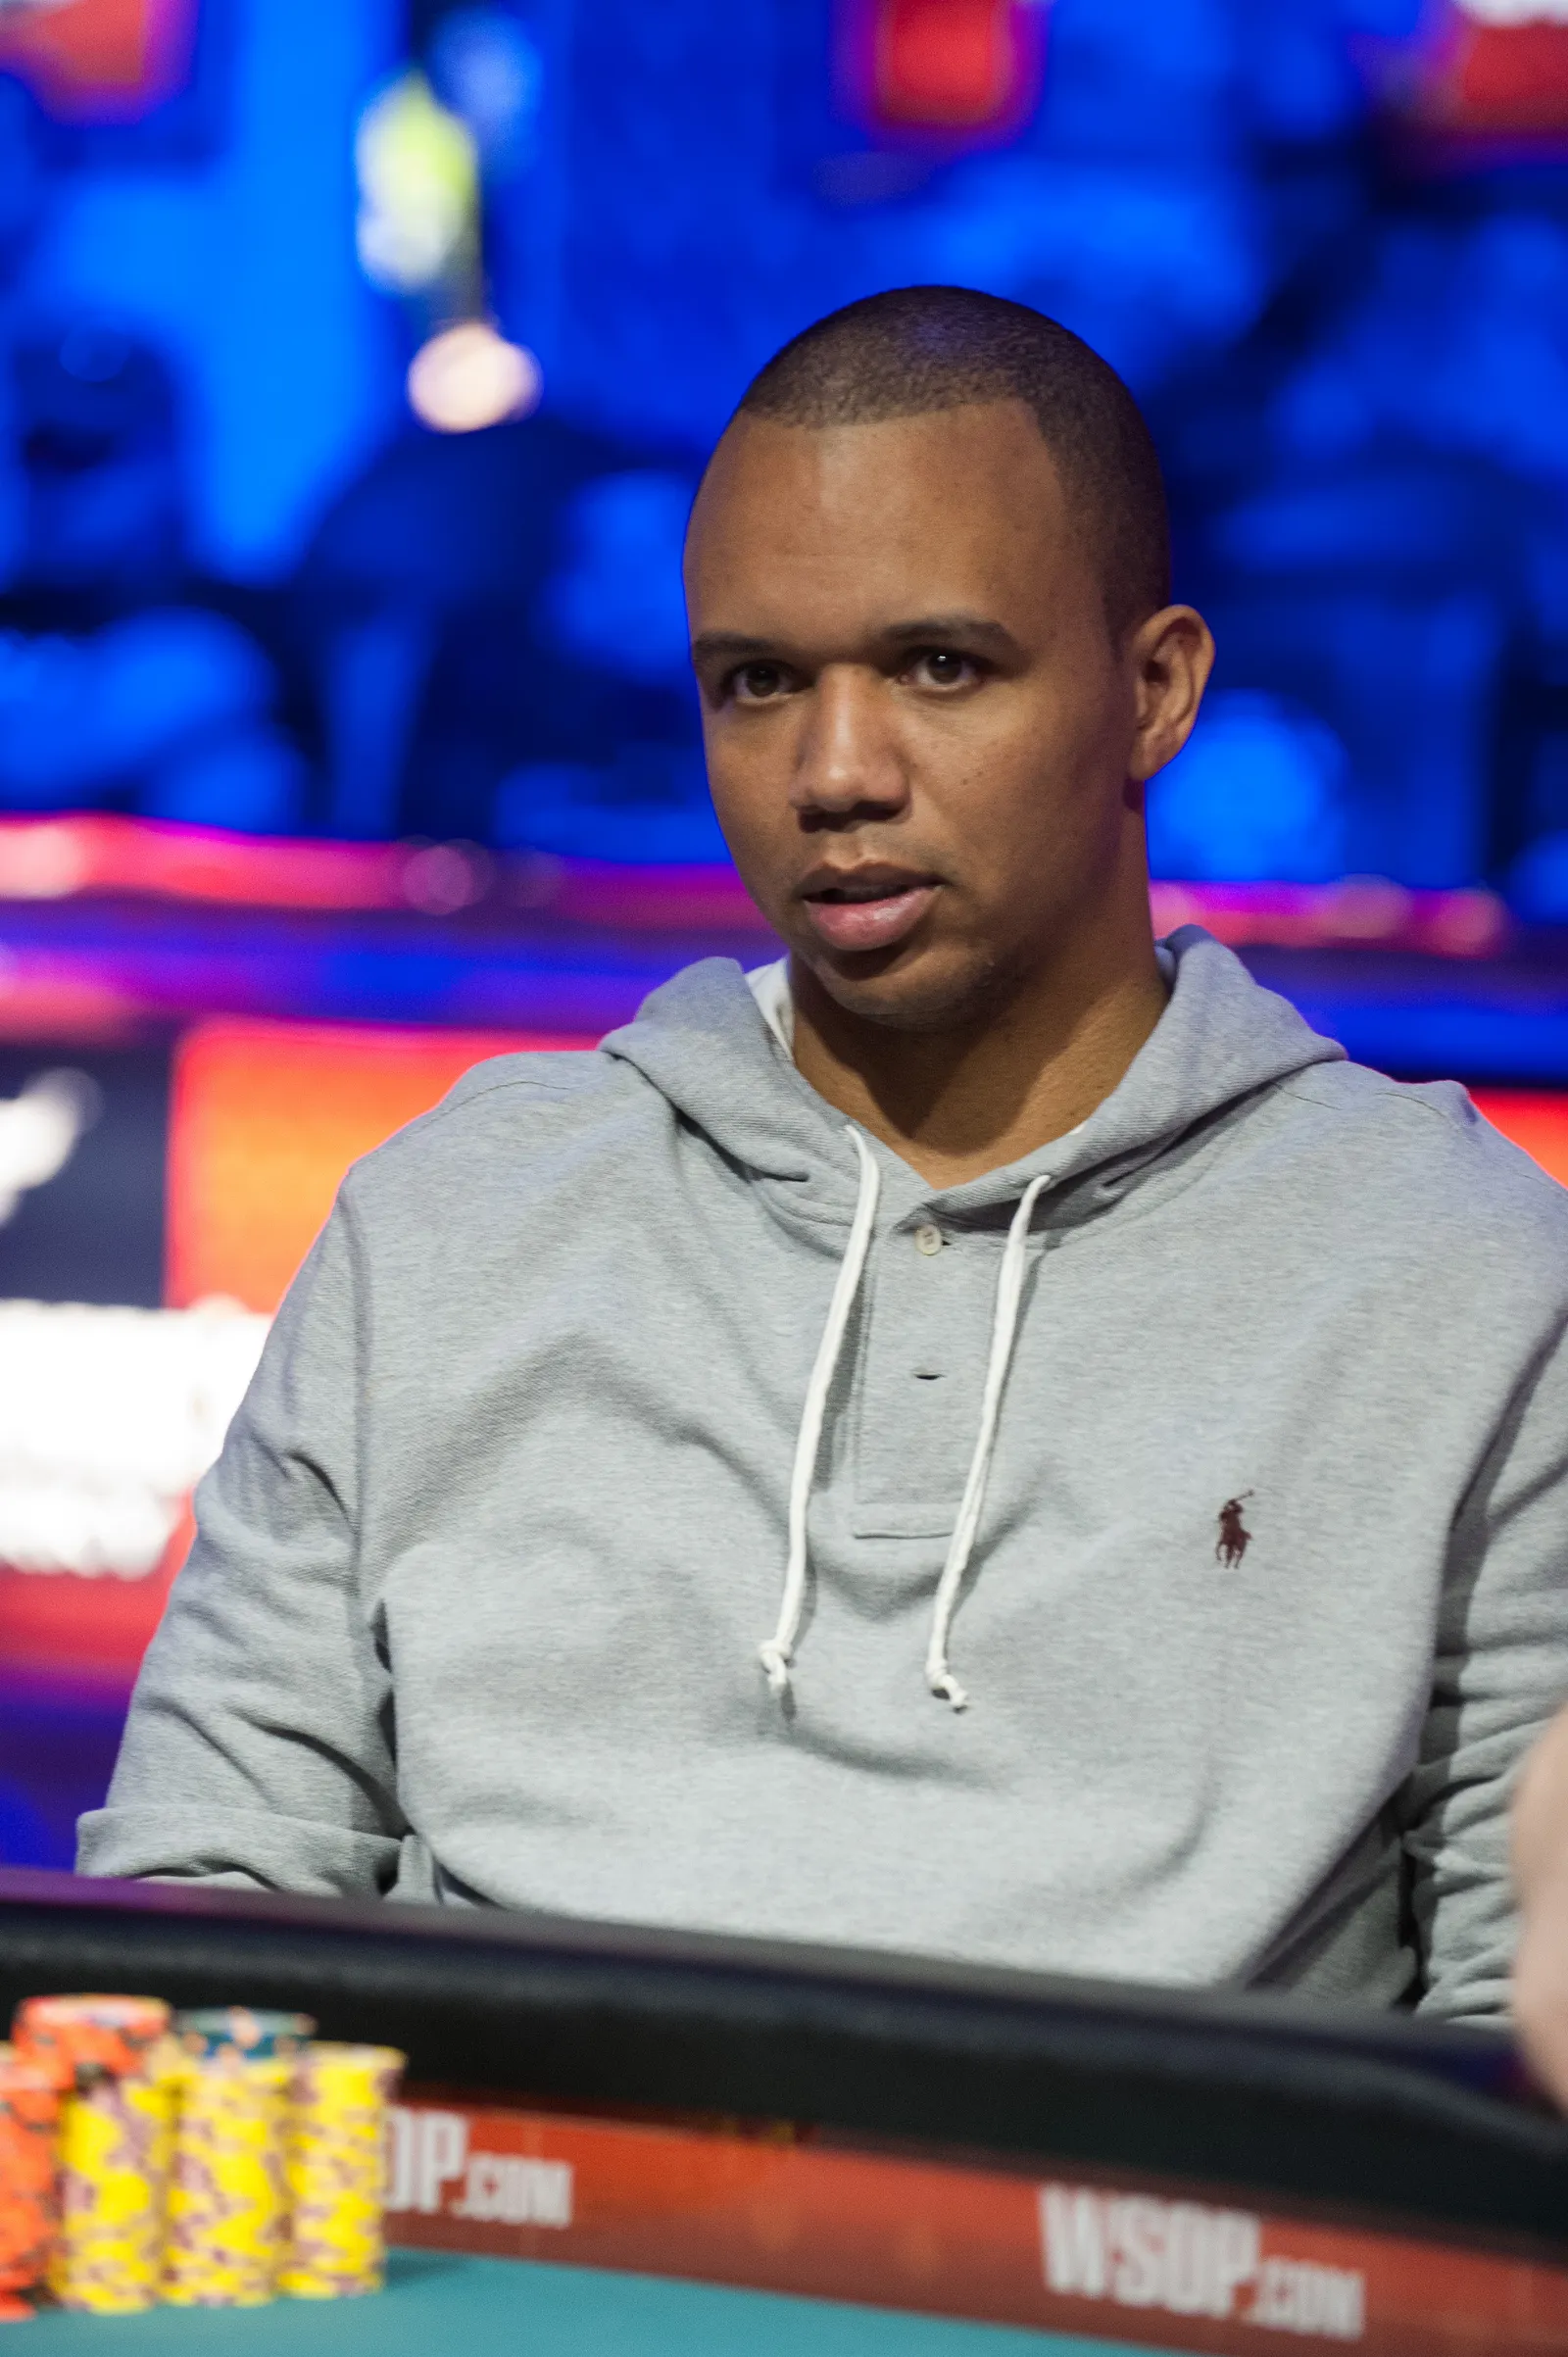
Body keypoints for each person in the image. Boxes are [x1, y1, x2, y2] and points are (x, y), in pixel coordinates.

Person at [79, 287, 1568, 2021]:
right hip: (487, 2189)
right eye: (760, 683)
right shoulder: (451, 1218)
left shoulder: (1456, 1269)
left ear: (1156, 692)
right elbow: (200, 1907)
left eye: (942, 668)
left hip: (1163, 2201)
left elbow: (1518, 2038)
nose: (835, 772)